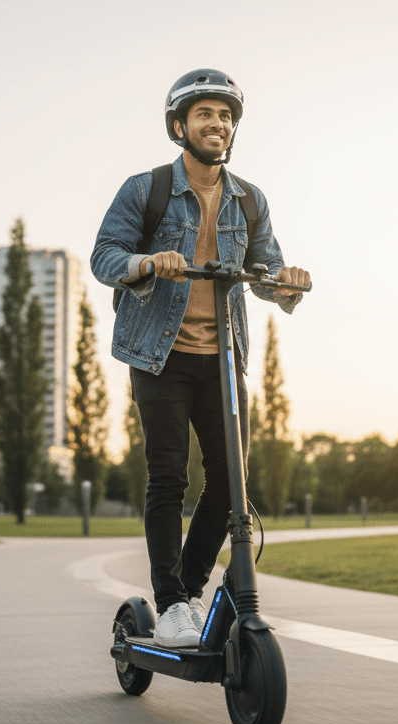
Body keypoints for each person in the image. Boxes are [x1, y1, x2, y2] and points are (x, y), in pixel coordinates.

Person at [90, 69, 310, 647]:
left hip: (222, 358)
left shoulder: (250, 199)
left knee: (231, 483)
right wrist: (144, 262)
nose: (218, 124)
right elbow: (105, 255)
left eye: (226, 116)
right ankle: (169, 607)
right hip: (159, 355)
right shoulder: (147, 189)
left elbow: (264, 274)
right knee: (168, 477)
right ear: (179, 126)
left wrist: (286, 284)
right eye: (205, 114)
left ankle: (185, 595)